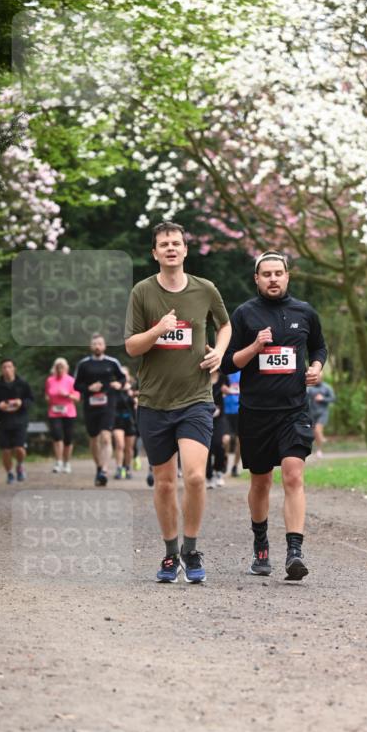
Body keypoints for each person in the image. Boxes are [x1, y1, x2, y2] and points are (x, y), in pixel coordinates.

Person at [125, 220, 231, 583]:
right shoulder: (142, 292)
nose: (171, 248)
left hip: (195, 399)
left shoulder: (205, 289)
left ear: (185, 250)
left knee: (197, 477)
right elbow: (131, 346)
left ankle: (191, 547)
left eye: (176, 243)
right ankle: (171, 554)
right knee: (165, 482)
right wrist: (158, 329)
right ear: (154, 253)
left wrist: (218, 351)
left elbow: (225, 324)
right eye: (163, 244)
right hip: (154, 400)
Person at [222, 249, 327, 581]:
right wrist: (254, 348)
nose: (272, 279)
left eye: (278, 273)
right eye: (266, 274)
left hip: (294, 411)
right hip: (255, 412)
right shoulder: (244, 314)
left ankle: (295, 552)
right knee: (261, 481)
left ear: (287, 276)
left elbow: (320, 347)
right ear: (257, 279)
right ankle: (261, 545)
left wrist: (316, 367)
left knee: (294, 476)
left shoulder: (305, 312)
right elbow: (227, 363)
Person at [73, 334, 126, 486]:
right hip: (90, 405)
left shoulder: (112, 362)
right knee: (94, 438)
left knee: (106, 436)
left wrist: (119, 384)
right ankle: (98, 467)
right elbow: (76, 385)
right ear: (91, 346)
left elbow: (122, 378)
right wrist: (88, 388)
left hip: (108, 403)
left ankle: (104, 470)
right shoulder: (83, 364)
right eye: (94, 344)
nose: (97, 346)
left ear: (104, 346)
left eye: (100, 343)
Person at [0, 359, 34, 483]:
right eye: (4, 367)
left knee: (19, 448)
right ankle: (9, 473)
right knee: (6, 450)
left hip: (20, 421)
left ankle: (19, 465)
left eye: (9, 366)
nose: (7, 369)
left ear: (14, 368)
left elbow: (31, 400)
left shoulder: (23, 384)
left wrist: (21, 402)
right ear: (1, 370)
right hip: (3, 422)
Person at [45, 357, 80, 473]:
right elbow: (47, 395)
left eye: (62, 367)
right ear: (54, 368)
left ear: (66, 368)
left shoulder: (71, 380)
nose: (60, 369)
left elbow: (77, 398)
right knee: (57, 436)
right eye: (58, 367)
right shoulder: (50, 380)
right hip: (54, 412)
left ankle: (67, 462)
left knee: (68, 439)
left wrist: (67, 395)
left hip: (69, 413)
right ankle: (58, 462)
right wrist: (48, 399)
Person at [112, 367, 138, 479]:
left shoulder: (132, 389)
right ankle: (118, 468)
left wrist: (133, 395)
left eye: (125, 374)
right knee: (119, 445)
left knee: (129, 448)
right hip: (117, 420)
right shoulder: (114, 388)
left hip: (130, 421)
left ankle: (127, 468)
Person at [206, 370, 228, 489]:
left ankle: (219, 471)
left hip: (219, 416)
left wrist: (227, 391)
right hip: (204, 415)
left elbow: (229, 390)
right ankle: (208, 476)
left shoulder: (223, 377)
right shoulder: (202, 375)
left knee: (219, 443)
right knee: (206, 446)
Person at [307, 373, 336, 457]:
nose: (318, 378)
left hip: (322, 413)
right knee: (314, 434)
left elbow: (333, 398)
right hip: (312, 413)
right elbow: (304, 398)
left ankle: (319, 449)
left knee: (317, 430)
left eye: (319, 377)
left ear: (322, 378)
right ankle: (319, 446)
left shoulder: (327, 387)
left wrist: (323, 398)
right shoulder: (309, 388)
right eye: (317, 377)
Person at [221, 369, 241, 475]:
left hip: (239, 411)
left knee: (240, 441)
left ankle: (235, 466)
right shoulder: (224, 371)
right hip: (225, 411)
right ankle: (225, 460)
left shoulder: (242, 372)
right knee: (226, 440)